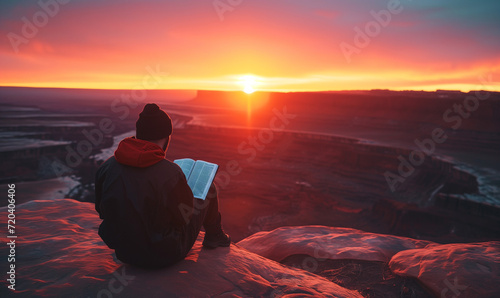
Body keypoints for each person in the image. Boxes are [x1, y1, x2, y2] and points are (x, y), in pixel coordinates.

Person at [94, 103, 230, 268]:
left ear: (139, 135)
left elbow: (102, 211)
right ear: (166, 138)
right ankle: (215, 236)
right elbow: (183, 218)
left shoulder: (108, 166)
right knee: (208, 188)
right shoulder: (170, 172)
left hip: (124, 252)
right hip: (164, 254)